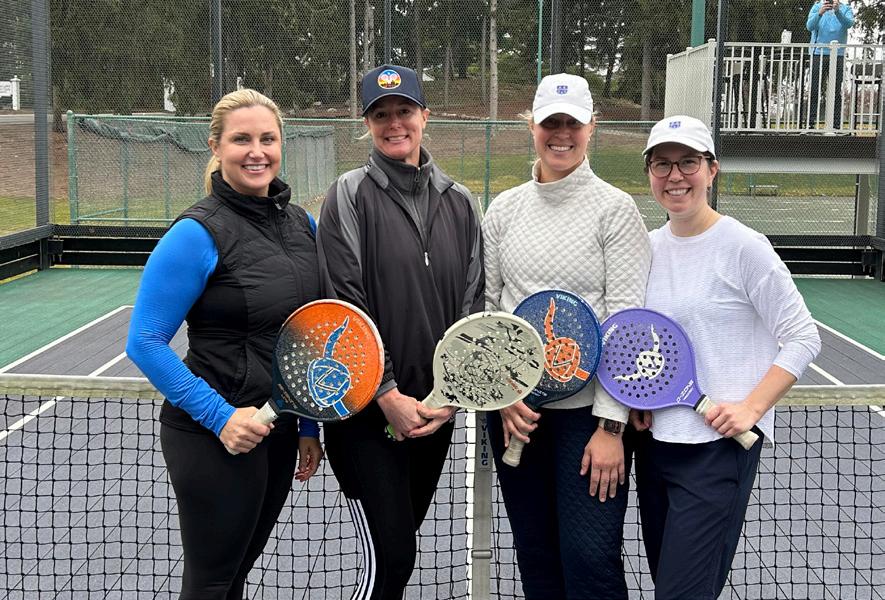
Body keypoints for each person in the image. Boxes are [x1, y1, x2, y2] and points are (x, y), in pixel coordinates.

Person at [126, 89, 324, 599]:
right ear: (215, 146)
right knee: (212, 584)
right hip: (213, 436)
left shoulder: (302, 224)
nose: (256, 152)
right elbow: (144, 341)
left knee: (236, 575)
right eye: (241, 140)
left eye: (267, 139)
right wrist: (222, 419)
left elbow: (306, 332)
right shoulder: (195, 233)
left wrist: (306, 424)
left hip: (277, 430)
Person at [631, 115, 821, 599]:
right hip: (654, 447)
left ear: (712, 170)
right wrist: (636, 399)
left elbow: (803, 336)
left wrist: (751, 408)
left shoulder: (744, 246)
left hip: (717, 452)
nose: (675, 176)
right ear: (649, 173)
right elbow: (644, 343)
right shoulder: (646, 249)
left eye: (688, 163)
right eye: (662, 164)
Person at [316, 64, 484, 599]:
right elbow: (346, 305)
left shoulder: (461, 202)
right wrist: (387, 394)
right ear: (367, 124)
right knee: (392, 556)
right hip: (367, 415)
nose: (394, 124)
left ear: (424, 117)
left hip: (433, 416)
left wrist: (451, 397)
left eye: (404, 111)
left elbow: (472, 305)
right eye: (381, 114)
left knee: (400, 554)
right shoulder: (347, 195)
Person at [482, 73, 651, 600]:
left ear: (591, 127)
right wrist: (505, 397)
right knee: (535, 556)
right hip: (517, 416)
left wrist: (611, 427)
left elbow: (626, 322)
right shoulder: (504, 209)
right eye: (550, 123)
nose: (561, 134)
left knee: (590, 560)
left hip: (589, 421)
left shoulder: (615, 209)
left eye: (572, 124)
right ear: (531, 126)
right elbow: (489, 309)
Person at [804, 0, 855, 128]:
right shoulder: (817, 6)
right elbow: (809, 26)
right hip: (818, 53)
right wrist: (820, 13)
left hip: (838, 54)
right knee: (815, 89)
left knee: (836, 90)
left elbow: (849, 24)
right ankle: (810, 123)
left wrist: (838, 12)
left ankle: (836, 124)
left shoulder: (845, 8)